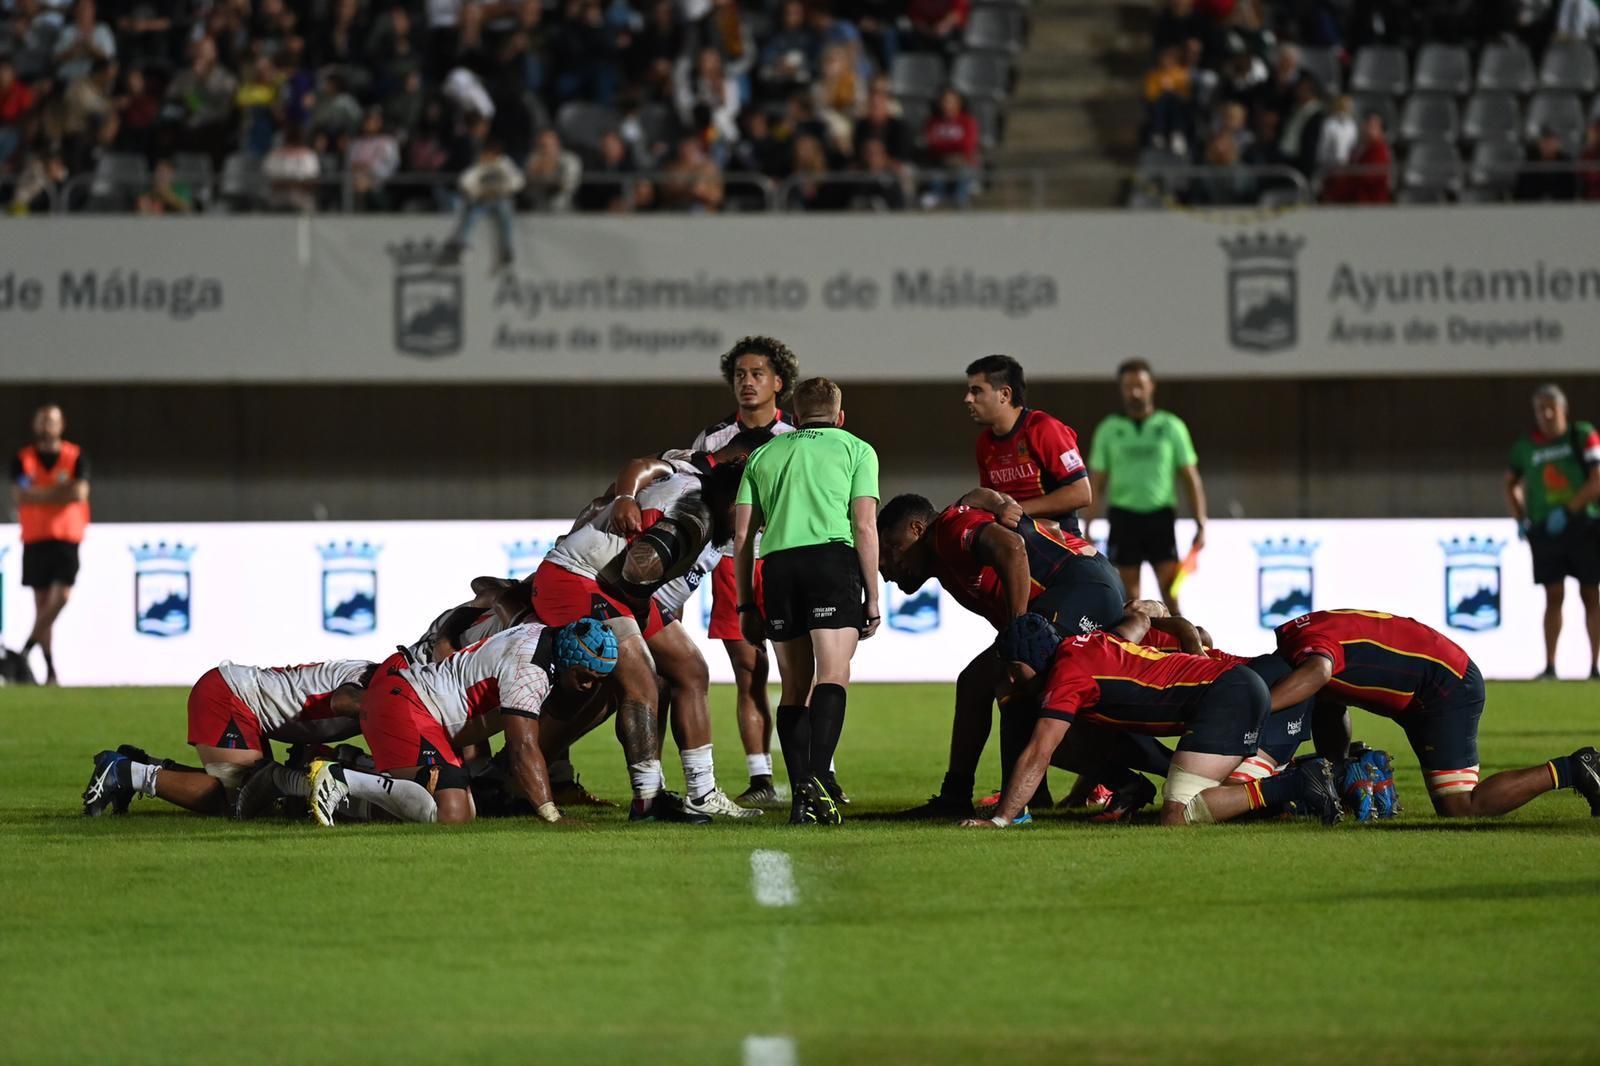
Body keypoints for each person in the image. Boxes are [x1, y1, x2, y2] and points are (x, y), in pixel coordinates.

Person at [535, 447, 761, 821]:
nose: (755, 521)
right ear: (733, 497)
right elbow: (640, 570)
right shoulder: (698, 512)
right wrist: (623, 499)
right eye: (753, 508)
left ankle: (702, 792)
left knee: (691, 669)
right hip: (580, 579)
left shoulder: (701, 500)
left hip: (610, 584)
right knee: (642, 679)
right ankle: (647, 799)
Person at [876, 491, 1131, 817]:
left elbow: (1012, 548)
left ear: (916, 529)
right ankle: (1028, 795)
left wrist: (1017, 632)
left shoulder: (948, 530)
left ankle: (965, 797)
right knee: (1004, 690)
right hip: (1087, 587)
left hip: (1084, 588)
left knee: (988, 680)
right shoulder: (946, 556)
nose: (887, 565)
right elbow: (981, 500)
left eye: (892, 548)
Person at [962, 611, 1344, 829]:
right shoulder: (1090, 642)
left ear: (1027, 662)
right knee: (1228, 801)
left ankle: (1297, 784)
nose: (1010, 679)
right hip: (1230, 691)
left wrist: (1001, 819)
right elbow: (1137, 621)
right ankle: (1324, 778)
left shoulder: (1067, 676)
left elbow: (1039, 751)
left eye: (1012, 669)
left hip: (1227, 696)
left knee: (1179, 815)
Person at [1267, 609, 1600, 817]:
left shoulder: (1305, 654)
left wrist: (1260, 708)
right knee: (1324, 699)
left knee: (1460, 806)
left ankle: (1573, 769)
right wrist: (1334, 770)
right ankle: (1340, 777)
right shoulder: (1295, 638)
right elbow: (1328, 697)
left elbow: (1318, 675)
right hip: (1430, 676)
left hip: (1447, 686)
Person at [734, 377, 880, 825]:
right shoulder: (857, 449)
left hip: (778, 567)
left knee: (795, 686)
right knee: (833, 674)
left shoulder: (763, 454)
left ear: (793, 417)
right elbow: (864, 525)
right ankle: (819, 780)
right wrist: (872, 596)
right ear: (840, 416)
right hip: (830, 561)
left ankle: (801, 797)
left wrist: (745, 605)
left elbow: (742, 536)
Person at [677, 337, 798, 805]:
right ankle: (761, 778)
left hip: (786, 560)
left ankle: (818, 770)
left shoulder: (797, 438)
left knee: (798, 672)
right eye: (740, 375)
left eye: (757, 374)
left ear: (778, 383)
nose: (747, 383)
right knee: (750, 671)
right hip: (730, 563)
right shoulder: (711, 440)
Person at [349, 619, 616, 825]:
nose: (588, 685)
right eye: (583, 676)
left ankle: (345, 768)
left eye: (596, 679)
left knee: (466, 810)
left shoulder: (540, 634)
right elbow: (522, 746)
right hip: (407, 705)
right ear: (568, 659)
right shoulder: (530, 669)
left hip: (422, 711)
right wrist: (550, 813)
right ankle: (343, 781)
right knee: (451, 812)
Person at [80, 659, 374, 817]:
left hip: (241, 701)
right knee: (239, 799)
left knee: (260, 793)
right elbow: (341, 702)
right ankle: (123, 772)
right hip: (230, 699)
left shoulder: (379, 676)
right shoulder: (382, 689)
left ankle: (142, 763)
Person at [1088, 358, 1207, 614]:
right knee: (1130, 598)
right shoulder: (1109, 430)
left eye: (1140, 385)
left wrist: (1200, 522)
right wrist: (1086, 527)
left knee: (1170, 592)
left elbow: (1190, 477)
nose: (1135, 392)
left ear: (1152, 386)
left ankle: (1185, 650)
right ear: (1121, 389)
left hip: (1160, 519)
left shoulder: (1171, 426)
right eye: (1128, 386)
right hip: (1123, 518)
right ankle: (1138, 653)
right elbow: (1096, 483)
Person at [1505, 384, 1600, 680]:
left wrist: (1570, 510)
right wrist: (1520, 517)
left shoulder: (1582, 435)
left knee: (1590, 593)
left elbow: (1597, 479)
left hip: (1584, 524)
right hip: (1546, 529)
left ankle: (1594, 666)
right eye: (1540, 409)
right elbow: (1510, 482)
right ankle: (1550, 665)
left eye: (1551, 408)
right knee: (1553, 594)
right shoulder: (1527, 446)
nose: (1546, 414)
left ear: (1563, 410)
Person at [965, 354, 1091, 536]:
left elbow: (1081, 493)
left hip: (1060, 545)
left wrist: (1016, 510)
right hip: (1014, 544)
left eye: (976, 390)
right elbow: (991, 502)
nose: (968, 398)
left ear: (1005, 394)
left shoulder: (1044, 428)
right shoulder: (984, 443)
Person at [12, 405, 89, 685]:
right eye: (42, 420)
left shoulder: (74, 456)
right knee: (42, 604)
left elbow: (79, 492)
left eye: (52, 421)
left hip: (65, 538)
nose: (47, 425)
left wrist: (40, 494)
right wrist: (60, 492)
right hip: (35, 538)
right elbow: (22, 496)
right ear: (35, 425)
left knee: (61, 597)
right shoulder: (24, 459)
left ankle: (24, 651)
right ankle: (49, 669)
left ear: (61, 424)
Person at [440, 136, 524, 272]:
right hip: (483, 200)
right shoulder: (480, 165)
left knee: (505, 214)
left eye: (489, 153)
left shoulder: (505, 165)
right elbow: (466, 181)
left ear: (496, 154)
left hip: (500, 199)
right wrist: (478, 192)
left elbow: (518, 181)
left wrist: (502, 189)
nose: (486, 155)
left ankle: (506, 249)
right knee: (472, 215)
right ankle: (462, 244)